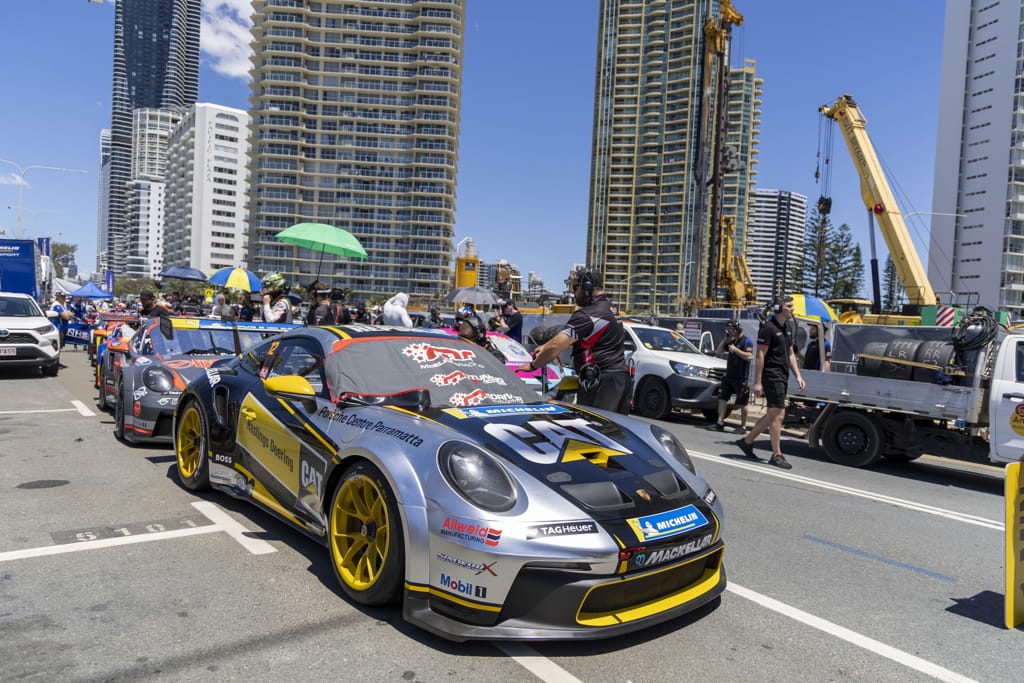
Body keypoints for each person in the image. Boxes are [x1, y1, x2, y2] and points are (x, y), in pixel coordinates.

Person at [519, 266, 630, 414]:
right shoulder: (610, 308)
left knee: (594, 431)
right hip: (620, 379)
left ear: (586, 287)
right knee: (617, 432)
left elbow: (556, 346)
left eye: (575, 287)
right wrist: (545, 345)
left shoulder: (587, 314)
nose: (573, 292)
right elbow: (576, 337)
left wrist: (533, 366)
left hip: (601, 383)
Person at [735, 295, 806, 469]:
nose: (792, 309)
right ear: (778, 309)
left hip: (783, 375)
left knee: (772, 415)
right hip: (771, 375)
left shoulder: (788, 327)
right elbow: (760, 355)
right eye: (789, 306)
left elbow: (790, 353)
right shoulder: (768, 328)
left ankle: (747, 441)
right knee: (778, 415)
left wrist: (798, 375)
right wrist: (758, 382)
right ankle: (777, 455)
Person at [713, 320, 753, 432]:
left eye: (732, 330)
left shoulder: (746, 341)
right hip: (729, 376)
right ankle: (719, 422)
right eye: (729, 330)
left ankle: (743, 426)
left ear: (738, 329)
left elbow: (749, 356)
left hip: (741, 377)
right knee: (722, 398)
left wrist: (736, 350)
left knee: (742, 402)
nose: (730, 332)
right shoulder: (732, 342)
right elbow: (719, 350)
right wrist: (725, 339)